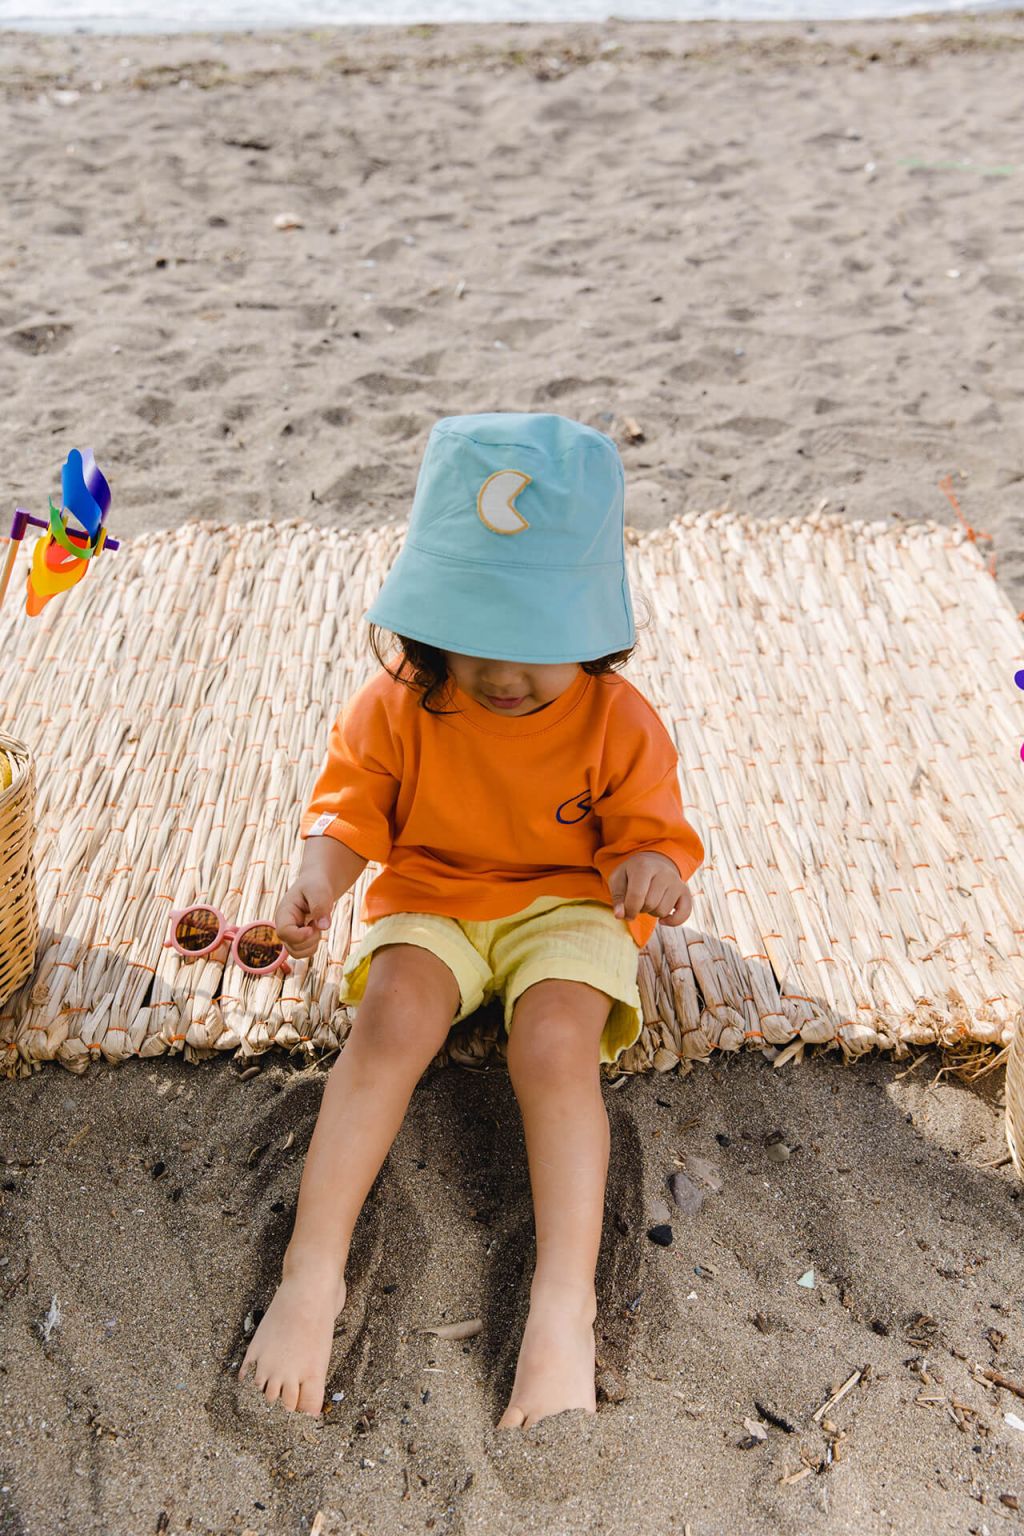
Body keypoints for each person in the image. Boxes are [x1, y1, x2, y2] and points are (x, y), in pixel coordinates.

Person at [238, 412, 705, 1429]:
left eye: (536, 643)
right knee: (389, 1023)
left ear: (592, 628)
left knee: (553, 1047)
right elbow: (351, 807)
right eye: (475, 634)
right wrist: (320, 875)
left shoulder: (617, 720)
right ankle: (312, 1270)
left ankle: (562, 1304)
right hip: (436, 894)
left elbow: (653, 839)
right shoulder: (401, 701)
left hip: (568, 904)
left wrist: (651, 873)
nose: (502, 672)